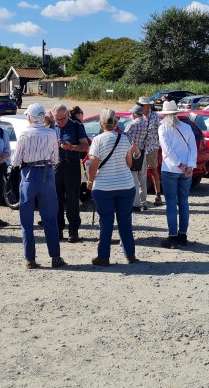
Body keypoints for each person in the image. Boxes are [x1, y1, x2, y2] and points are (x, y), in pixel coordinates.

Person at [12, 103, 66, 269]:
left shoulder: (24, 134)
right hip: (47, 173)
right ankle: (55, 257)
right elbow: (56, 160)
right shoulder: (51, 133)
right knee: (50, 218)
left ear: (30, 117)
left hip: (28, 174)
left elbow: (15, 161)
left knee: (26, 220)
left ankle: (30, 259)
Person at [86, 108, 141, 266]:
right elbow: (129, 163)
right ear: (116, 122)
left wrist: (90, 181)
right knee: (125, 221)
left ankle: (103, 256)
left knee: (106, 223)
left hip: (104, 187)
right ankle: (130, 254)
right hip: (125, 184)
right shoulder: (123, 139)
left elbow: (94, 164)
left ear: (101, 123)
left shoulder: (97, 140)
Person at [158, 101, 197, 247]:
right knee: (184, 203)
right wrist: (189, 166)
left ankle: (173, 236)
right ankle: (183, 235)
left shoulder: (163, 128)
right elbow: (193, 148)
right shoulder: (186, 127)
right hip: (186, 169)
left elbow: (166, 150)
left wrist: (180, 165)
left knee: (171, 204)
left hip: (170, 169)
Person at [53, 104, 89, 242]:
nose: (59, 122)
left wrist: (72, 147)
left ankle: (73, 230)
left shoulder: (76, 126)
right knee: (56, 199)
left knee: (73, 199)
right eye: (57, 120)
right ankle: (58, 228)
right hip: (56, 164)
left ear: (67, 115)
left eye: (61, 119)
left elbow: (85, 146)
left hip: (71, 164)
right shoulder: (52, 127)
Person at [138, 96, 163, 205]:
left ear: (148, 106)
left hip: (152, 148)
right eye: (140, 105)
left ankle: (158, 195)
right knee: (140, 173)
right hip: (140, 149)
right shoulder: (138, 117)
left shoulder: (155, 117)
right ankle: (140, 198)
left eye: (142, 105)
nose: (140, 107)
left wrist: (160, 145)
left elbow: (161, 131)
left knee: (153, 171)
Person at [124, 104, 149, 211]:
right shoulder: (145, 124)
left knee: (134, 179)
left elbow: (125, 139)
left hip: (132, 153)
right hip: (142, 152)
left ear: (134, 114)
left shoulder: (131, 125)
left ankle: (136, 204)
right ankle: (144, 202)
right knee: (143, 179)